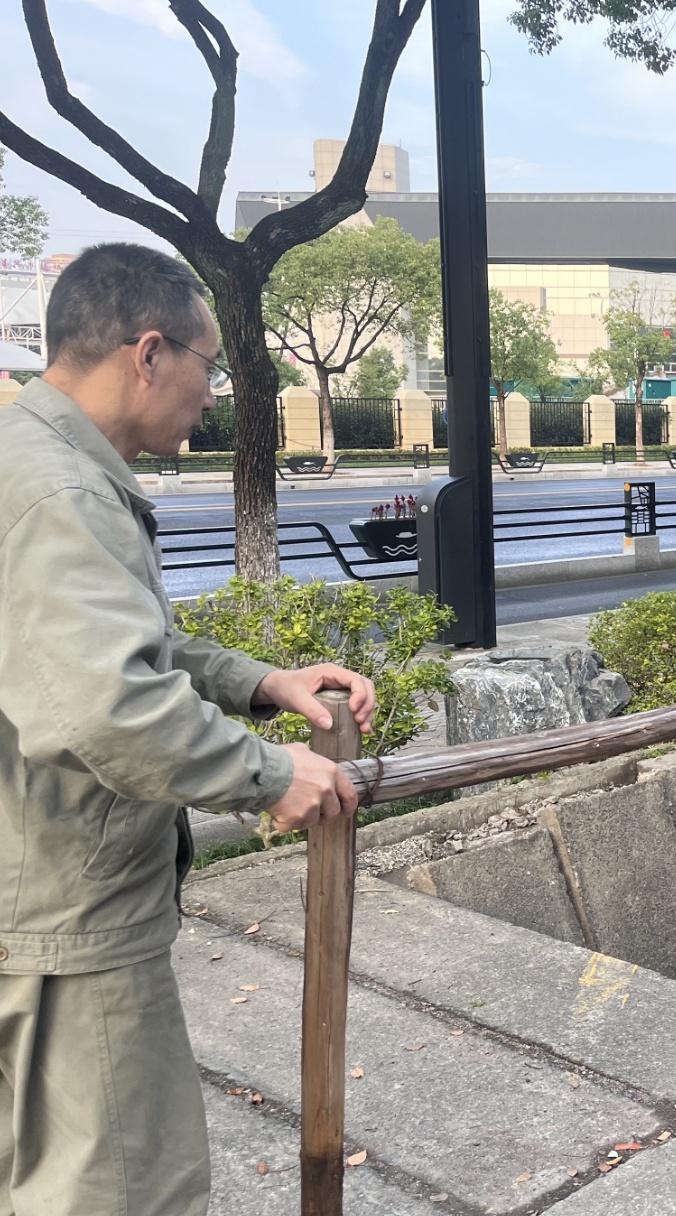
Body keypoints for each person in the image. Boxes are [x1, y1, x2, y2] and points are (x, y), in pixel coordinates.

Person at [0, 243, 377, 1216]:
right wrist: (267, 773)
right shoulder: (65, 494)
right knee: (123, 1187)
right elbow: (108, 704)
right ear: (148, 353)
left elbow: (131, 646)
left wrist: (259, 683)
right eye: (210, 366)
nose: (213, 394)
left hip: (39, 894)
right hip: (67, 921)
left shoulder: (38, 462)